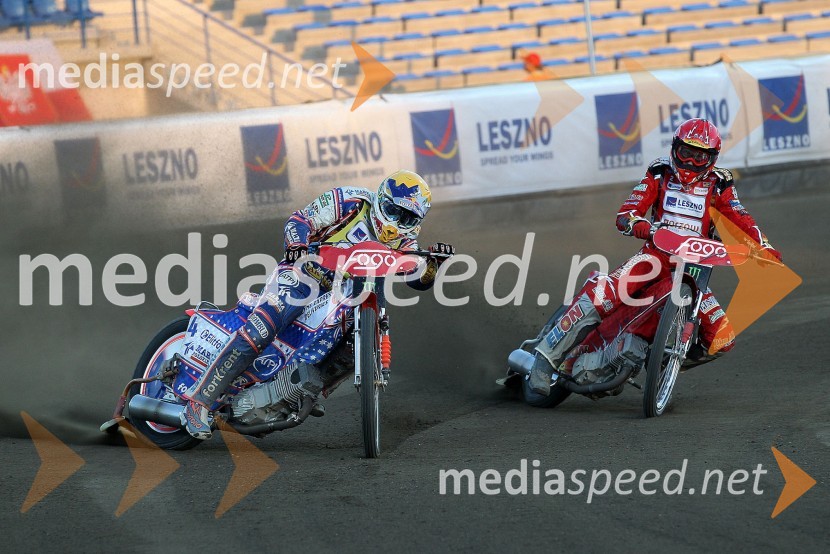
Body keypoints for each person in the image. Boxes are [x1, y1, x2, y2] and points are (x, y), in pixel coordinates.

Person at [180, 170, 455, 439]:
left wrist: (434, 265)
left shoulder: (406, 241)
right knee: (264, 327)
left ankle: (306, 390)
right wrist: (297, 243)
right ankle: (199, 402)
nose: (396, 222)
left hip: (352, 294)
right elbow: (299, 219)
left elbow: (417, 279)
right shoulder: (351, 200)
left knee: (354, 350)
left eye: (407, 217)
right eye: (393, 211)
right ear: (380, 199)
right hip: (305, 273)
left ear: (417, 221)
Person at [528, 118, 782, 396]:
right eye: (686, 152)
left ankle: (666, 357)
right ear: (675, 148)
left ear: (712, 158)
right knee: (604, 292)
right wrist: (638, 224)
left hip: (694, 271)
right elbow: (627, 212)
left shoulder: (720, 184)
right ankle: (545, 358)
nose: (691, 162)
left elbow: (741, 218)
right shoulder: (659, 172)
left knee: (723, 338)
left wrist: (764, 247)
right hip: (654, 257)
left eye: (700, 157)